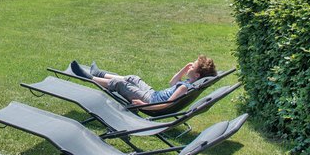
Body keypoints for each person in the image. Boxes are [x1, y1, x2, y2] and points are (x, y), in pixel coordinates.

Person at [70, 56, 217, 107]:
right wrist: (184, 69)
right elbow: (172, 82)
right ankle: (99, 73)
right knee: (133, 78)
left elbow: (166, 105)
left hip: (150, 101)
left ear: (197, 75)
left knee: (121, 84)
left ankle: (89, 77)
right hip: (153, 94)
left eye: (193, 65)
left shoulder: (185, 88)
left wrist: (144, 105)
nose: (190, 64)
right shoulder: (188, 82)